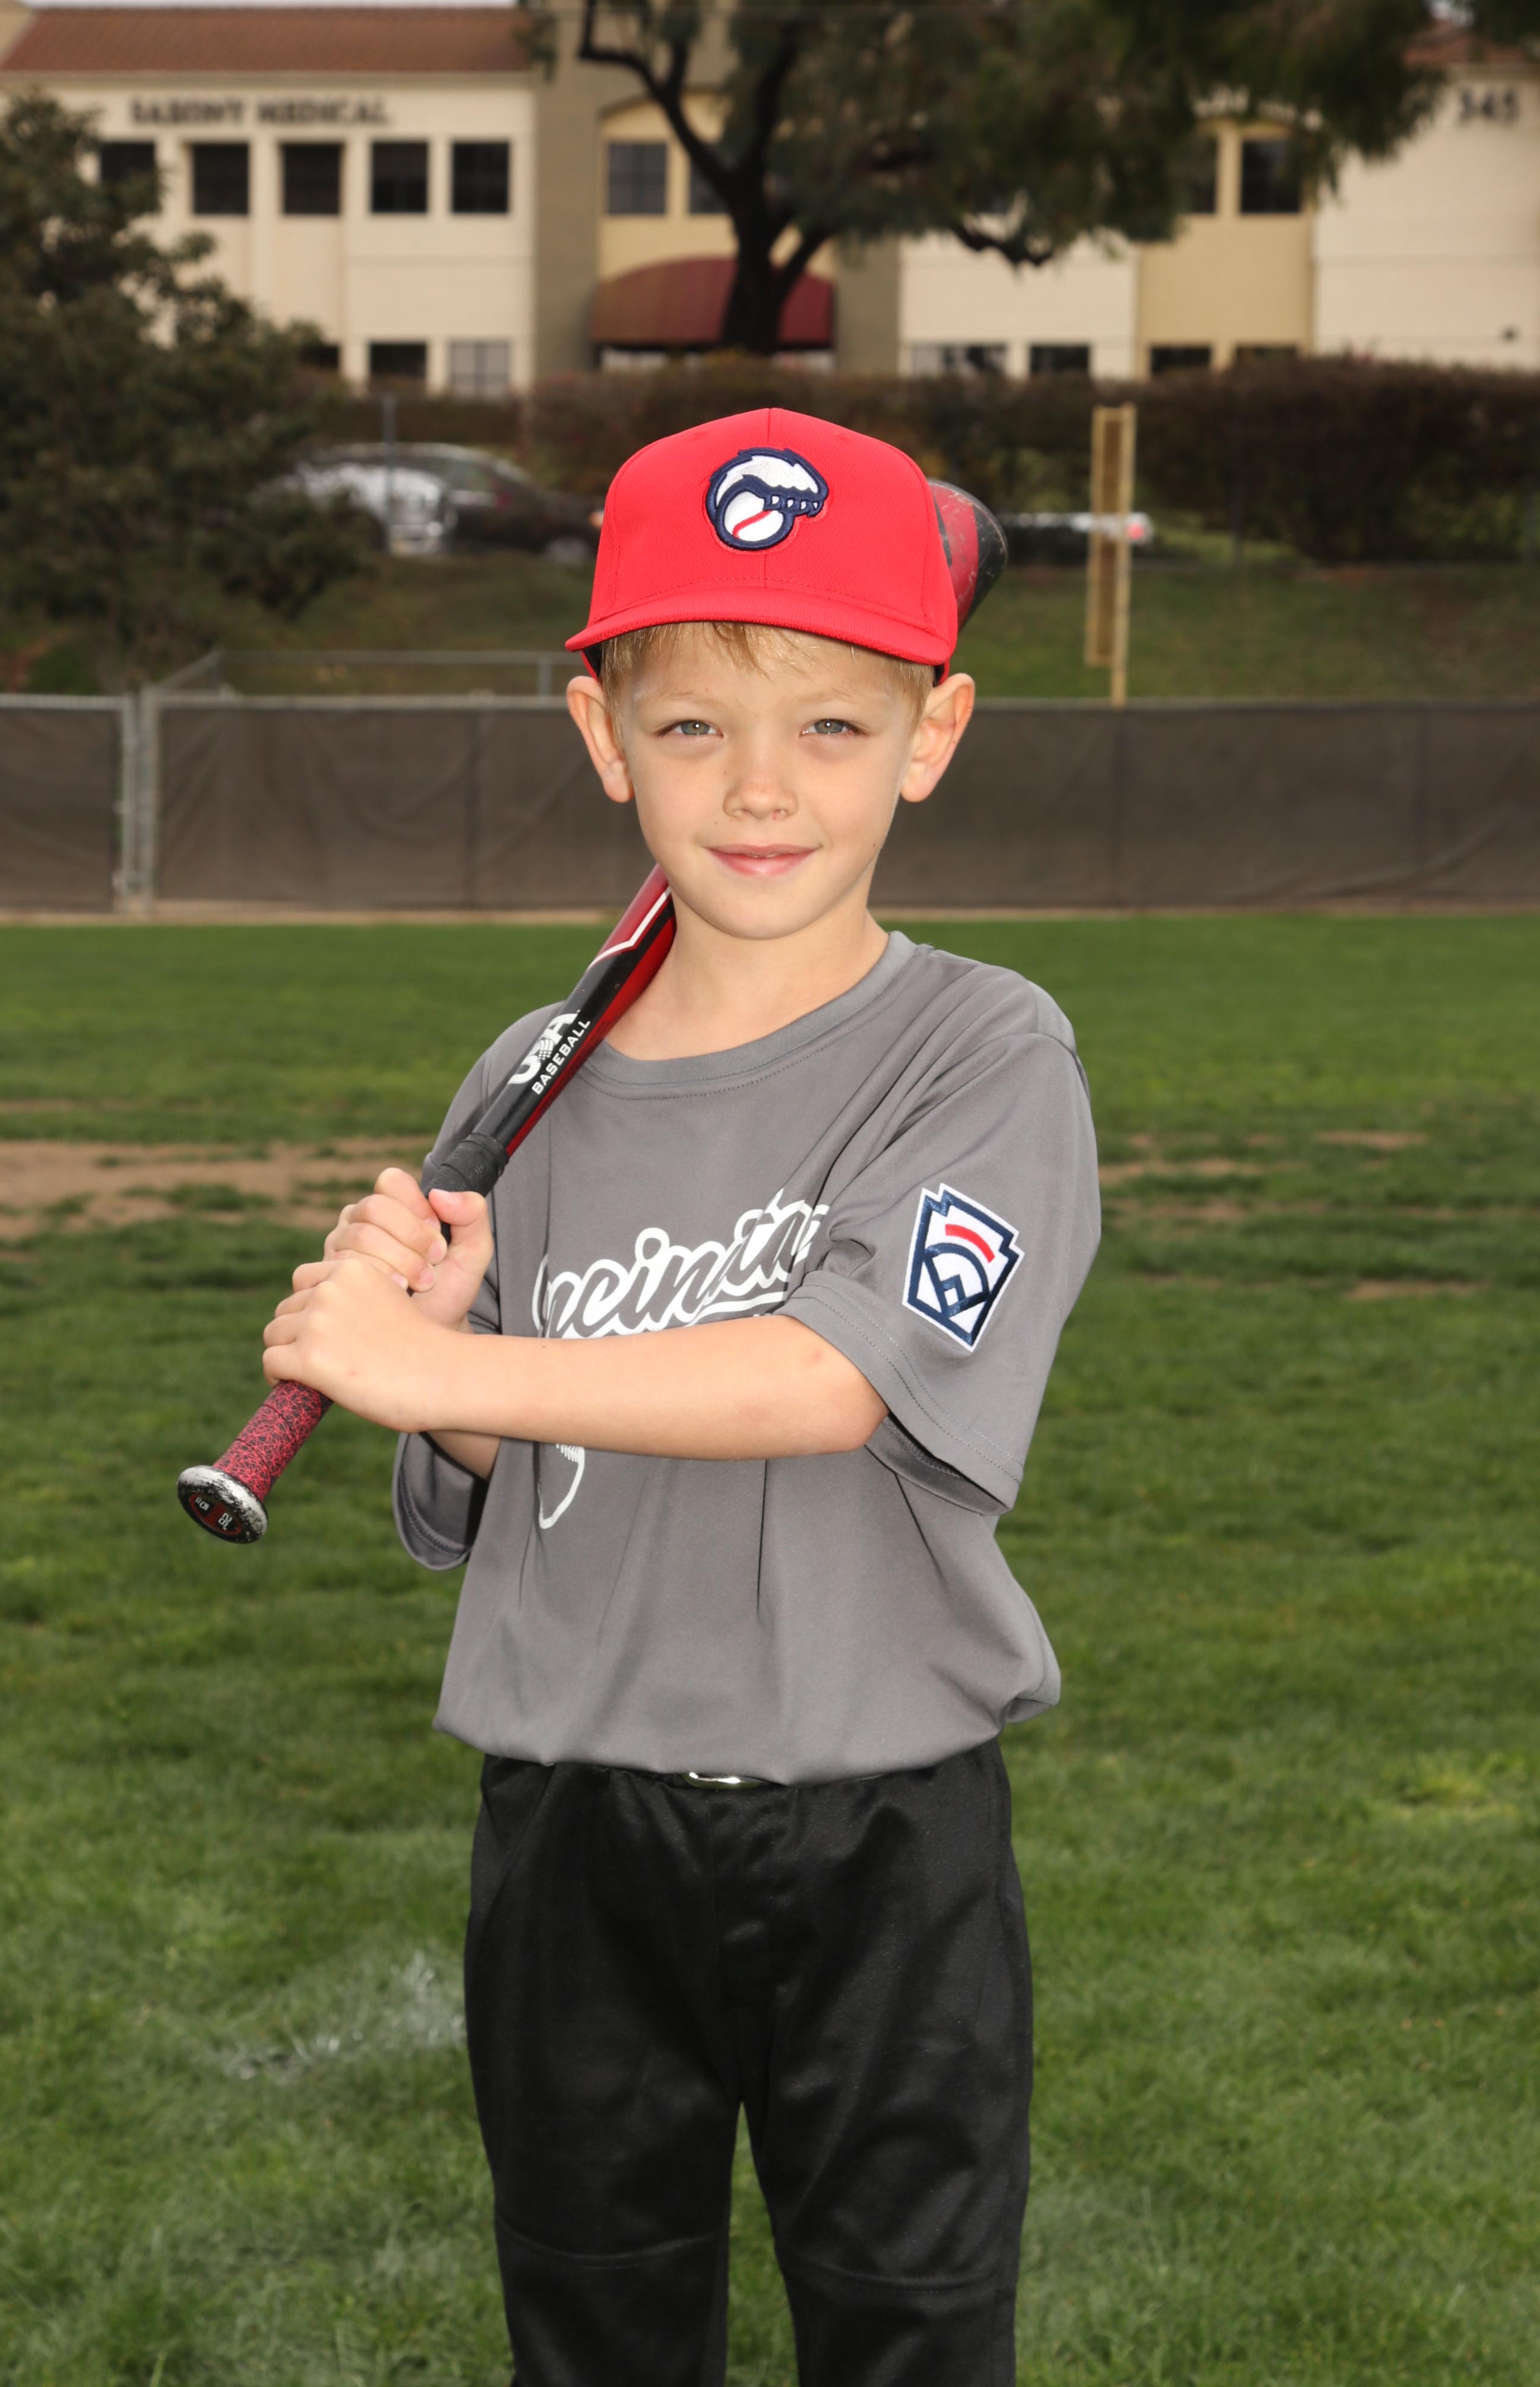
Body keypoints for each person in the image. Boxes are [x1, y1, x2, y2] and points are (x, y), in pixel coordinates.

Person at [262, 407, 1102, 2387]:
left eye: (833, 723)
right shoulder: (535, 1073)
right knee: (594, 2323)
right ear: (603, 734)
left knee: (908, 2337)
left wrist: (439, 1360)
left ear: (934, 734)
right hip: (574, 1823)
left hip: (880, 1829)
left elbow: (828, 1378)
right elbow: (532, 1453)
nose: (761, 785)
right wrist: (448, 1383)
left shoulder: (984, 1053)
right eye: (697, 723)